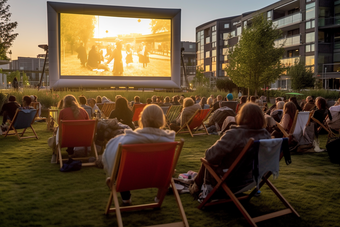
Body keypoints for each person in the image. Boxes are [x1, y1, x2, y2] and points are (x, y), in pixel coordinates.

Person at [189, 103, 271, 196]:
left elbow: (210, 156)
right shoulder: (265, 134)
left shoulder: (235, 134)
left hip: (230, 180)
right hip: (252, 179)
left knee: (207, 160)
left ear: (242, 116)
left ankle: (196, 187)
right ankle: (195, 183)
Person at [102, 104, 176, 205]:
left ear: (142, 119)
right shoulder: (169, 141)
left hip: (130, 177)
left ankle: (126, 198)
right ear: (161, 119)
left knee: (119, 162)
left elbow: (112, 151)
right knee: (168, 168)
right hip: (157, 177)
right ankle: (159, 198)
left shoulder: (129, 140)